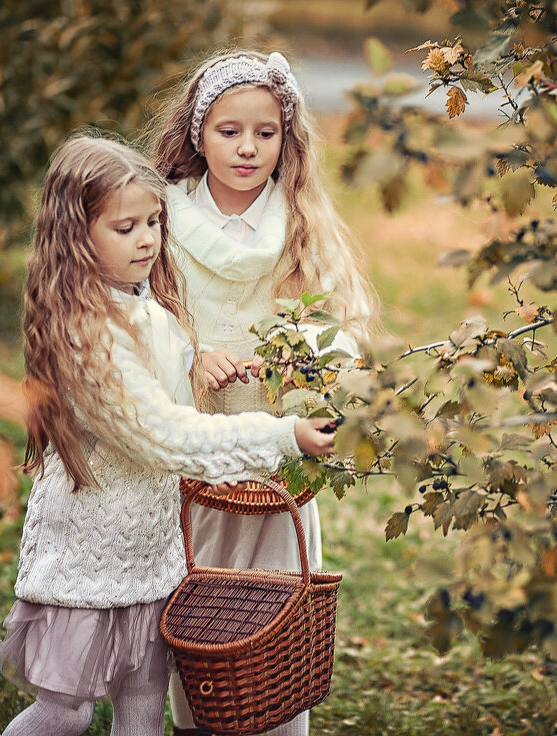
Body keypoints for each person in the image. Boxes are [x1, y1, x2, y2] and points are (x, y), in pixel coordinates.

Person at [0, 133, 334, 736]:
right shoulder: (84, 335)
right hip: (88, 562)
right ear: (76, 235)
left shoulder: (140, 303)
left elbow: (163, 369)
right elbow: (160, 434)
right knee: (65, 714)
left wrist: (201, 359)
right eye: (126, 228)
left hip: (151, 554)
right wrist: (282, 436)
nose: (147, 239)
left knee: (144, 707)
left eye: (154, 221)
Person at [149, 50, 377, 736]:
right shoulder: (162, 221)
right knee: (202, 607)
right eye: (228, 131)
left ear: (287, 139)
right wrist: (191, 358)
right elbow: (136, 323)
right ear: (197, 133)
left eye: (266, 133)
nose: (248, 148)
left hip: (280, 460)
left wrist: (298, 364)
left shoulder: (300, 225)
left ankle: (276, 721)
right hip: (197, 459)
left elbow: (346, 333)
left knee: (274, 615)